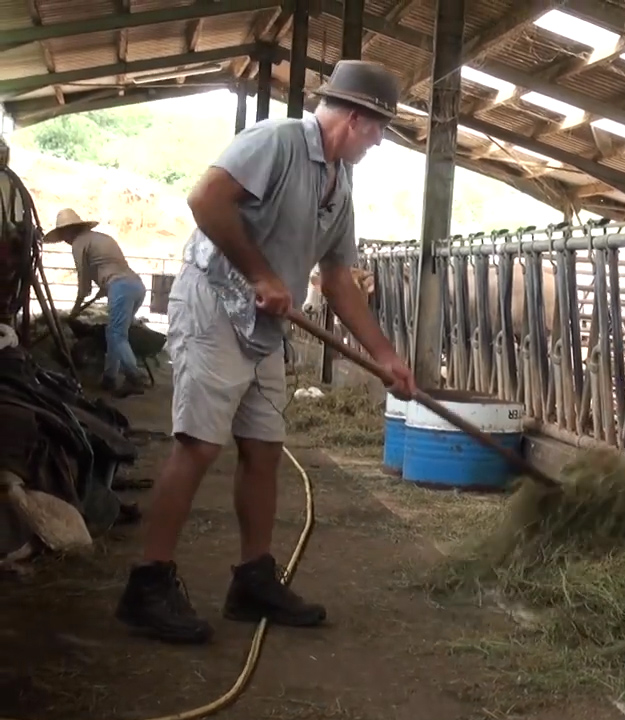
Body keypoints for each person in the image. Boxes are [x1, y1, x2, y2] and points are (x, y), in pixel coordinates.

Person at [114, 60, 417, 645]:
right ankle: (147, 583)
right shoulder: (276, 141)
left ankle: (253, 578)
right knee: (200, 443)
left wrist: (385, 356)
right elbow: (205, 200)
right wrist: (260, 274)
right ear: (355, 119)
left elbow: (338, 280)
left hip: (263, 327)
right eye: (378, 129)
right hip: (213, 305)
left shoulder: (339, 184)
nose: (379, 141)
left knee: (265, 449)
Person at [49, 208, 148, 397]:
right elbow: (111, 266)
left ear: (71, 230)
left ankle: (135, 377)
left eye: (63, 234)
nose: (64, 239)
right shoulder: (100, 238)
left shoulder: (79, 243)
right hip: (136, 286)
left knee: (117, 335)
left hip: (121, 287)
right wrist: (105, 288)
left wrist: (75, 311)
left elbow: (84, 284)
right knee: (115, 334)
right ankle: (109, 378)